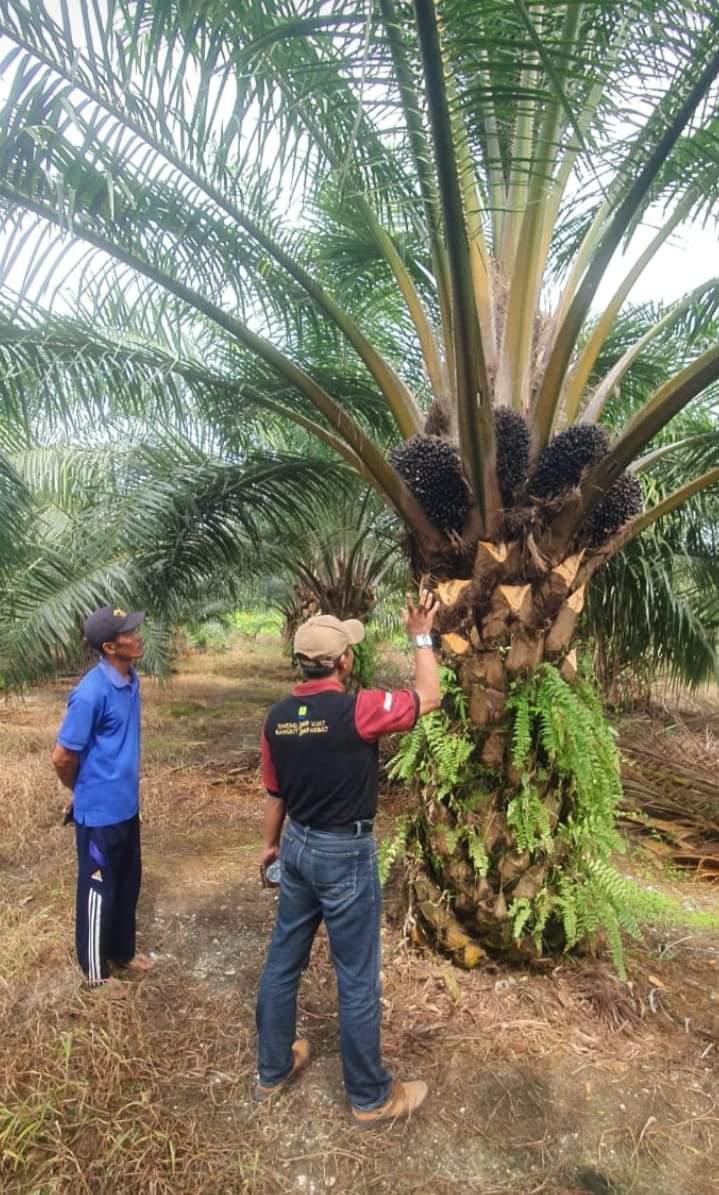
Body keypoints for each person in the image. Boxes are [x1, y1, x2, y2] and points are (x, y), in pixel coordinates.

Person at [256, 589, 440, 1128]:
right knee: (357, 976)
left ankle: (272, 1069)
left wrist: (270, 846)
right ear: (342, 662)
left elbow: (275, 794)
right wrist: (420, 635)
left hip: (296, 847)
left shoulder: (277, 719)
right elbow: (428, 696)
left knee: (283, 960)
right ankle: (369, 1097)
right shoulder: (359, 710)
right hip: (344, 854)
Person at [51, 606, 153, 988]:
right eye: (129, 632)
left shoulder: (130, 679)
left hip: (127, 807)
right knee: (98, 889)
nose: (138, 635)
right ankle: (95, 972)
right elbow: (62, 756)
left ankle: (122, 951)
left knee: (127, 883)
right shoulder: (90, 694)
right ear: (110, 646)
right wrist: (80, 791)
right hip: (98, 817)